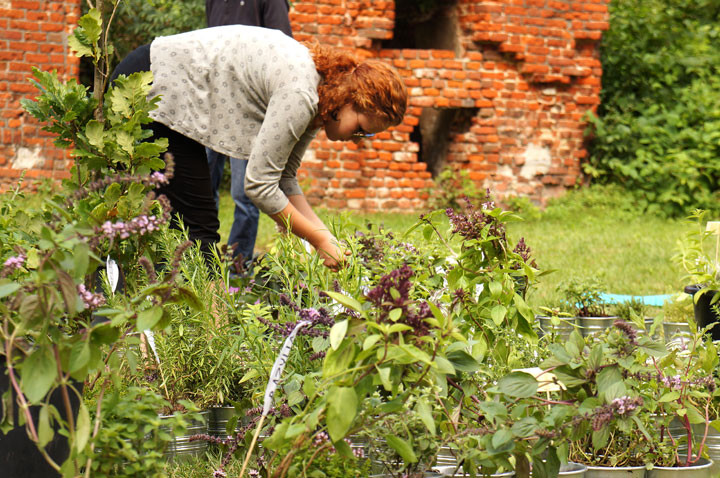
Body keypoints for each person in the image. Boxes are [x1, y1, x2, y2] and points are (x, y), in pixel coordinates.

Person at [110, 25, 407, 269]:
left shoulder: (322, 99)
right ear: (349, 99)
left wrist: (326, 236)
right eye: (359, 130)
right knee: (198, 230)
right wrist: (319, 242)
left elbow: (284, 178)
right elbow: (260, 186)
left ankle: (162, 323)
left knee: (182, 226)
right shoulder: (302, 95)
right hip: (151, 83)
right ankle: (206, 332)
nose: (356, 140)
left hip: (169, 92)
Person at [205, 0, 293, 263]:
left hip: (249, 107)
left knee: (246, 193)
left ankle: (238, 267)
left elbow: (283, 50)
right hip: (211, 101)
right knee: (202, 185)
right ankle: (200, 261)